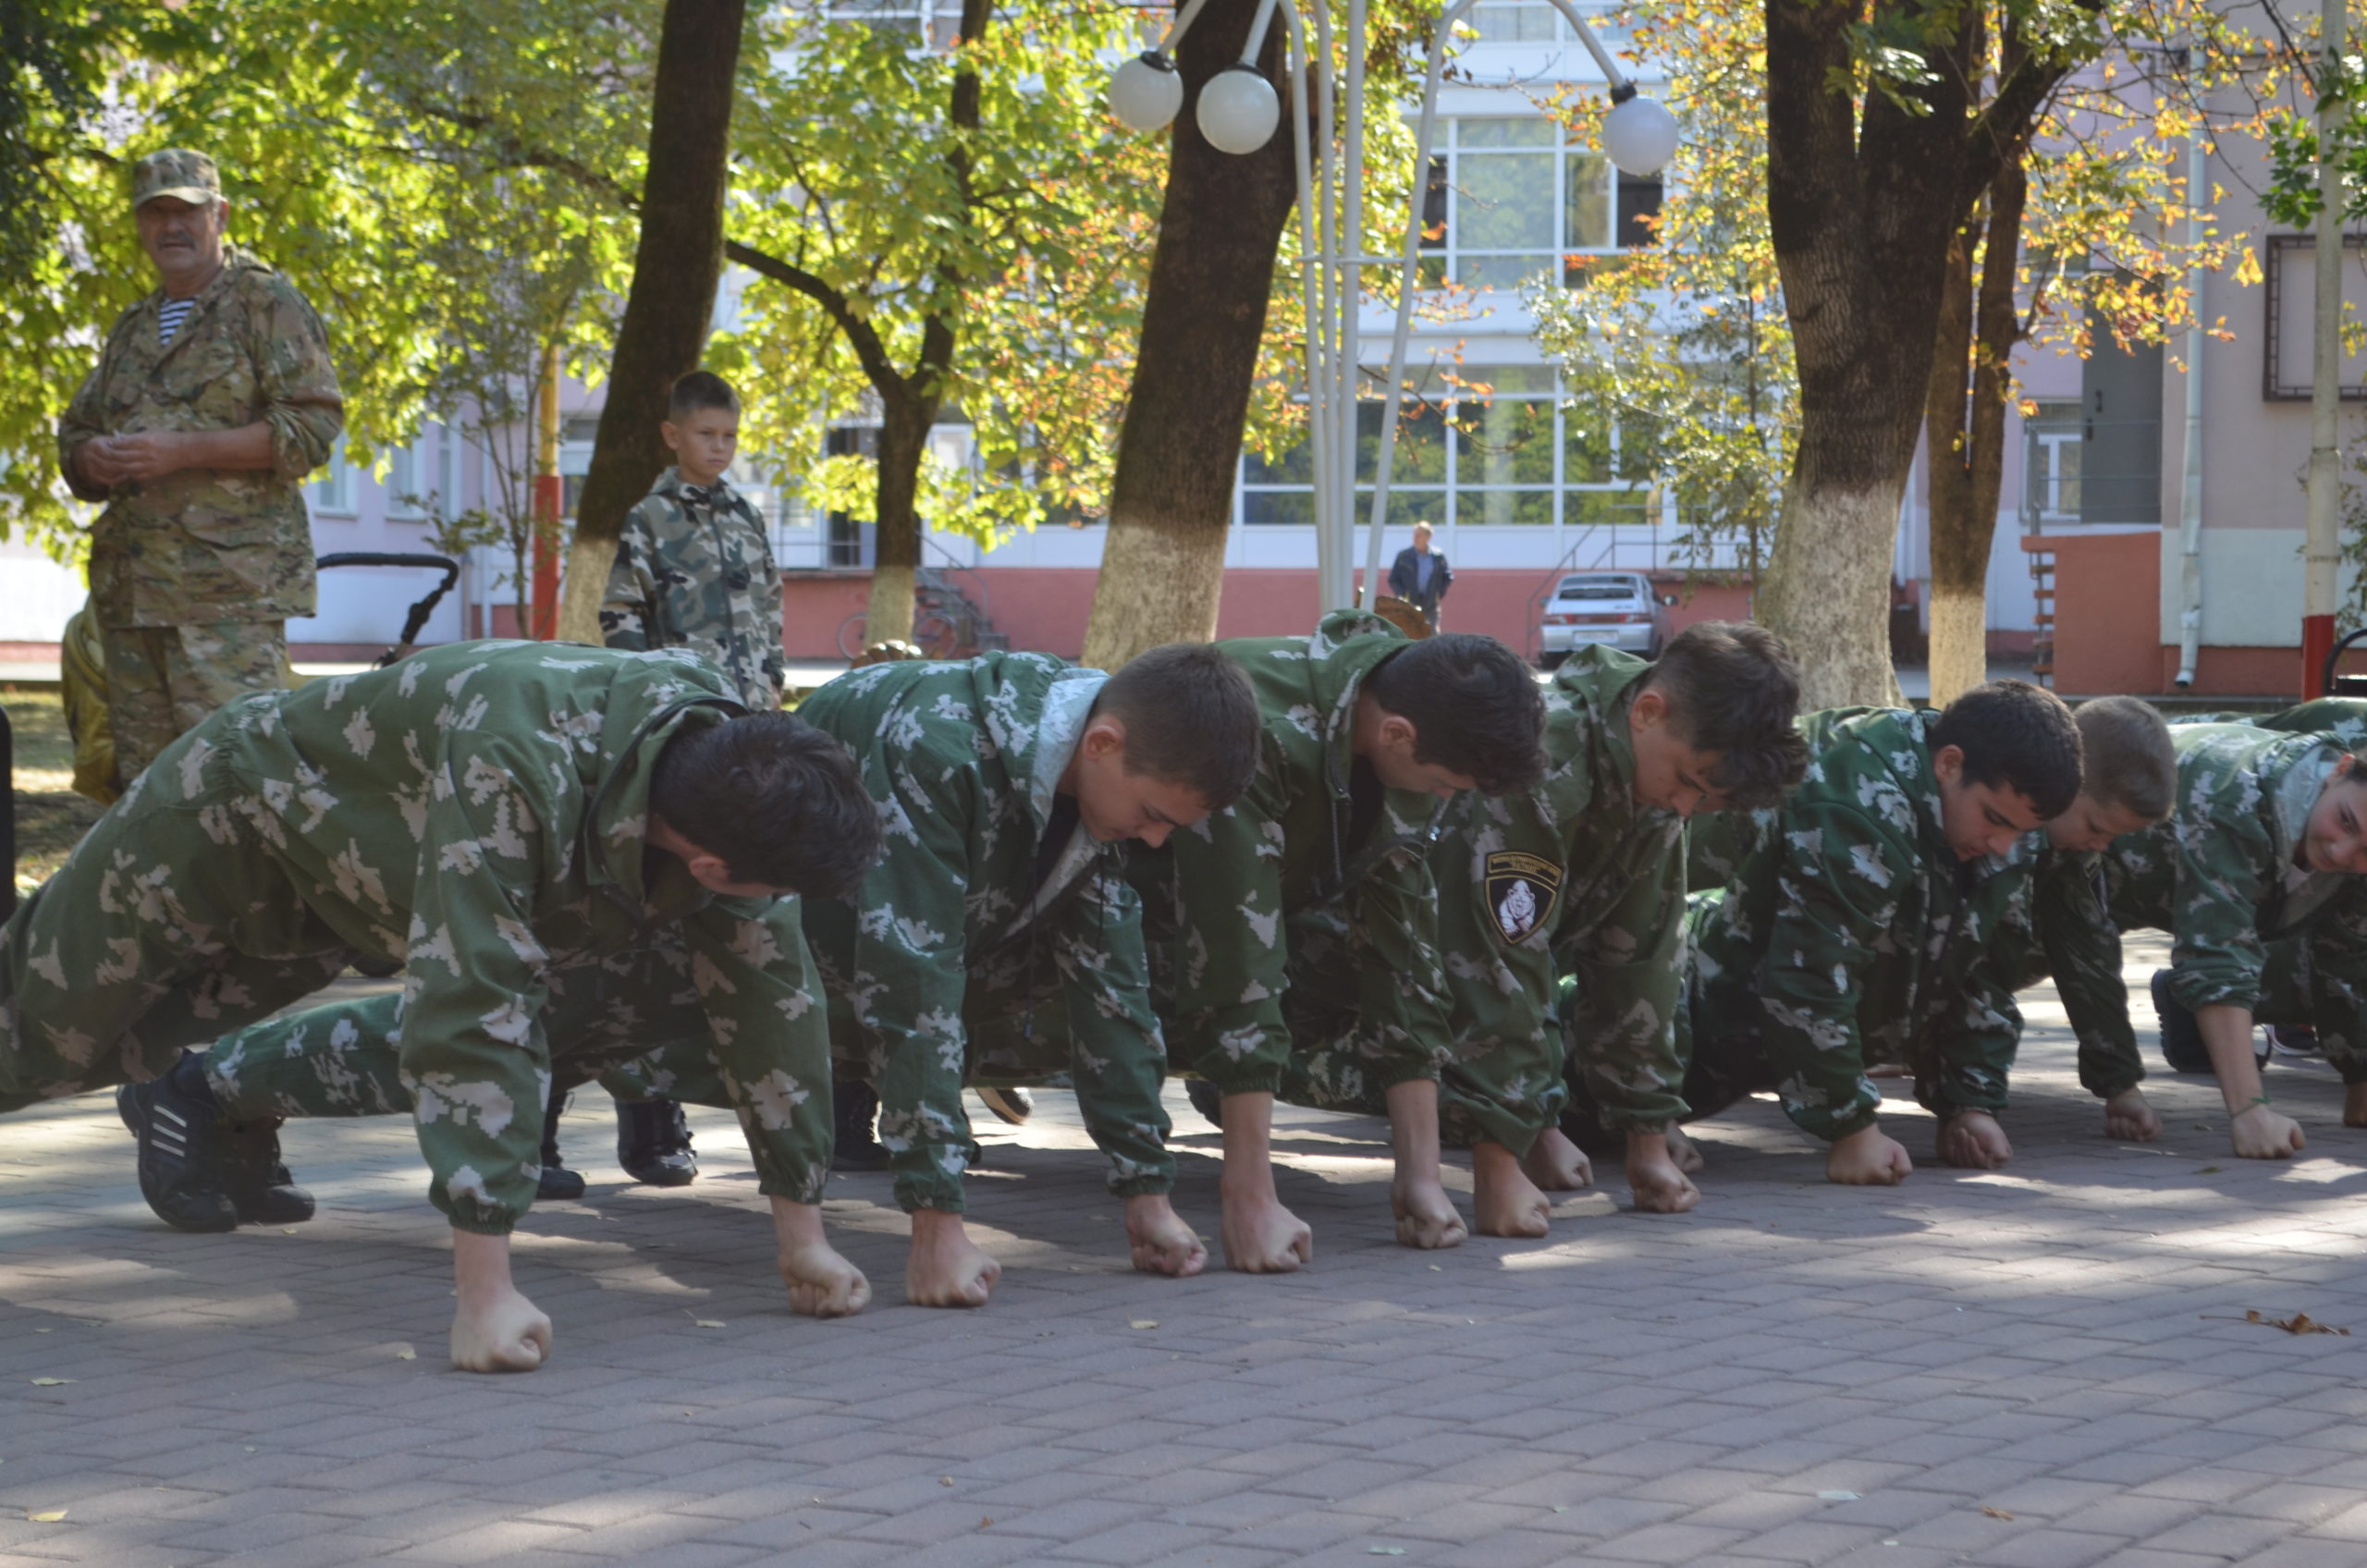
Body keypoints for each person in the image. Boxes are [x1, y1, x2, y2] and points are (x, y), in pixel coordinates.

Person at [0, 641, 878, 1370]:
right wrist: (484, 1298)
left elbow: (772, 1001)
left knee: (133, 1047)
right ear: (716, 871)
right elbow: (471, 1012)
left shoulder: (734, 775)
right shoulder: (517, 763)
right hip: (229, 819)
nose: (768, 906)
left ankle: (190, 1101)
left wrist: (802, 1234)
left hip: (339, 888)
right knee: (41, 1038)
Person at [753, 643, 1262, 1308]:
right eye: (1154, 816)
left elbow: (1115, 992)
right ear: (1103, 744)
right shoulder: (935, 749)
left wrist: (1148, 1195)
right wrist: (937, 1228)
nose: (1155, 840)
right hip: (780, 946)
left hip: (897, 946)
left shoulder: (1097, 769)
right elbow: (913, 984)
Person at [1144, 614, 1547, 1268]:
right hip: (1088, 952)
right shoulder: (1255, 729)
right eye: (1445, 784)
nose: (1445, 798)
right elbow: (1236, 954)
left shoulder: (1401, 736)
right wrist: (1248, 1199)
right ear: (1396, 734)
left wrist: (1420, 1175)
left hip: (1204, 941)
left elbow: (1403, 954)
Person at [1425, 623, 1801, 1221]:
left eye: (1704, 800)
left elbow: (1643, 966)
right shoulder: (1541, 762)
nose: (1685, 810)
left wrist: (1647, 1139)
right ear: (1649, 711)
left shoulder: (1654, 779)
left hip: (1466, 990)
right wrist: (1501, 1162)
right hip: (1353, 994)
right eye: (1685, 783)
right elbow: (1492, 964)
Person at [526, 370, 790, 1201]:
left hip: (742, 749)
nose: (720, 447)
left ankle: (654, 1119)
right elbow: (622, 621)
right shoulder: (651, 519)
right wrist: (660, 712)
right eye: (706, 433)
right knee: (620, 924)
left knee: (693, 930)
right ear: (673, 435)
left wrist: (770, 717)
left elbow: (770, 626)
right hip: (675, 748)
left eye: (730, 435)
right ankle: (535, 1123)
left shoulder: (745, 518)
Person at [1681, 680, 2083, 1185]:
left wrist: (1970, 1104)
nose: (2005, 846)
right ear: (1949, 764)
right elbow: (1812, 977)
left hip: (1732, 1058)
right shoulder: (1860, 800)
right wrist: (1851, 1128)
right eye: (1995, 820)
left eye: (2020, 832)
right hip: (1683, 1019)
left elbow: (1983, 976)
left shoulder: (1998, 830)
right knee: (1570, 1117)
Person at [55, 148, 343, 788]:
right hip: (133, 594)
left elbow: (312, 429)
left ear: (220, 215)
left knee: (237, 779)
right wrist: (88, 457)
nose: (171, 227)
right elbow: (77, 428)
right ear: (140, 225)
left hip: (227, 599)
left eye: (186, 211)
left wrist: (183, 450)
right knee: (149, 792)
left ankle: (256, 894)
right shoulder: (133, 326)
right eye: (156, 213)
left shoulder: (264, 304)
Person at [2035, 719, 2367, 1162]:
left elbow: (2349, 959)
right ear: (2340, 768)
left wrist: (2360, 1080)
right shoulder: (2236, 794)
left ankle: (2186, 1007)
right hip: (2050, 856)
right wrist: (2250, 1111)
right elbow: (2217, 957)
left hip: (2142, 899)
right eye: (2346, 822)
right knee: (1971, 967)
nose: (2344, 852)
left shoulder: (2350, 836)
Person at [1387, 523, 1453, 631]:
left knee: (1431, 635)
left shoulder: (1438, 556)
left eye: (1419, 535)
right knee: (1410, 633)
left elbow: (1447, 577)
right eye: (1415, 535)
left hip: (1431, 604)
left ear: (1428, 537)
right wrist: (1402, 595)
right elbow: (1393, 579)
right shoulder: (1404, 556)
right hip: (1409, 604)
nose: (1415, 538)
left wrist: (1439, 594)